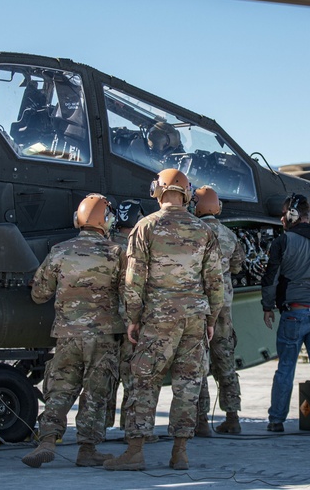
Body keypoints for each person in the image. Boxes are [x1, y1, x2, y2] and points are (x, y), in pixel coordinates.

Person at [104, 169, 224, 472]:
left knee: (145, 381)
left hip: (159, 317)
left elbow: (134, 279)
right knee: (188, 385)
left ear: (158, 191)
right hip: (195, 317)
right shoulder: (203, 231)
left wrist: (132, 317)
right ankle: (180, 453)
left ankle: (135, 452)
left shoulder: (145, 227)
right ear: (186, 193)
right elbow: (215, 281)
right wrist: (212, 317)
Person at [23, 194, 125, 468]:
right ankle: (88, 449)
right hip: (103, 337)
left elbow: (39, 295)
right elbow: (130, 296)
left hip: (67, 335)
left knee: (60, 388)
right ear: (107, 221)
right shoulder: (117, 253)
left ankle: (46, 440)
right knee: (95, 391)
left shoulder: (59, 251)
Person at [260, 193, 310, 435]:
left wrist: (267, 306)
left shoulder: (283, 241)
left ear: (291, 215)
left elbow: (271, 278)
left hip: (294, 313)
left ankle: (276, 420)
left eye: (284, 213)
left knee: (286, 367)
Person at [191, 186, 246, 436]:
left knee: (198, 363)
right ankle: (232, 417)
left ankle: (201, 420)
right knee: (225, 360)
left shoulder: (194, 233)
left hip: (200, 307)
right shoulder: (229, 235)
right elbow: (237, 267)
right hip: (223, 307)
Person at [101, 199, 144, 431]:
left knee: (106, 376)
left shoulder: (106, 246)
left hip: (106, 323)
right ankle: (130, 427)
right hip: (129, 322)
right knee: (132, 377)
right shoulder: (136, 249)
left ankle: (102, 424)